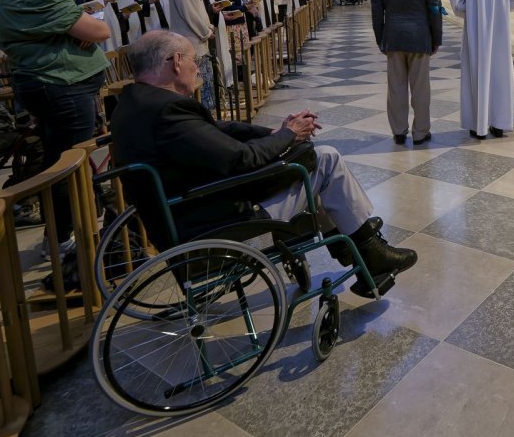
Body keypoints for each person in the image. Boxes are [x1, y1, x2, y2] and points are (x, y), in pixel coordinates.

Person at [111, 31, 417, 296]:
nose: (196, 68)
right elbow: (241, 159)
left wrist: (275, 133)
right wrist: (289, 134)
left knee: (314, 171)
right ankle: (366, 246)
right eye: (193, 61)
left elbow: (217, 129)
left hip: (188, 210)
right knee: (324, 161)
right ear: (176, 62)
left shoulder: (137, 102)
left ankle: (356, 241)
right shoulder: (168, 113)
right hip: (217, 223)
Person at [0, 0, 111, 255]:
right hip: (62, 88)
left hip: (54, 86)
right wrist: (79, 33)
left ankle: (67, 232)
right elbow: (101, 31)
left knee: (64, 159)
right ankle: (62, 238)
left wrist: (73, 34)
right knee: (68, 164)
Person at [447, 0, 514, 140]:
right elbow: (512, 1)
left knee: (476, 73)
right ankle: (499, 124)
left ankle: (478, 125)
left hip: (475, 33)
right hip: (499, 32)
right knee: (500, 73)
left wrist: (477, 11)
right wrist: (495, 10)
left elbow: (457, 4)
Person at [372, 0, 443, 146]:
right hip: (420, 38)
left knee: (396, 87)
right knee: (420, 88)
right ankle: (421, 132)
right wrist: (436, 38)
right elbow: (435, 10)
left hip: (393, 38)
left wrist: (380, 38)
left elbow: (376, 10)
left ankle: (399, 131)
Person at [167, 0, 216, 109]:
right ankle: (200, 115)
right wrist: (206, 32)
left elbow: (199, 10)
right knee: (196, 82)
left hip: (199, 38)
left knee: (205, 80)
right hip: (191, 39)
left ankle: (208, 113)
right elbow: (189, 14)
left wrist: (208, 26)